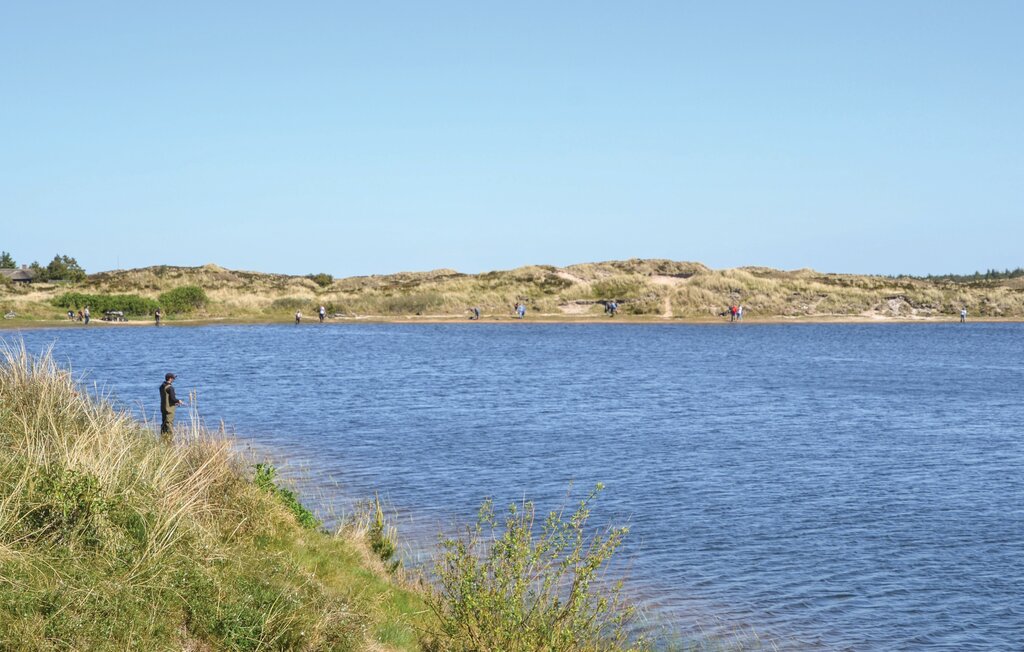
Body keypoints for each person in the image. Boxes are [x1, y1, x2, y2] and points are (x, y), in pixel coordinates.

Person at [159, 373, 185, 441]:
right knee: (169, 424)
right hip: (169, 410)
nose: (174, 379)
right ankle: (170, 439)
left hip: (163, 408)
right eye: (173, 378)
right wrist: (179, 401)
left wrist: (174, 403)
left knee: (164, 423)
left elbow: (167, 398)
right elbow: (173, 399)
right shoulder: (170, 388)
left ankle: (163, 438)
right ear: (170, 379)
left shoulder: (162, 386)